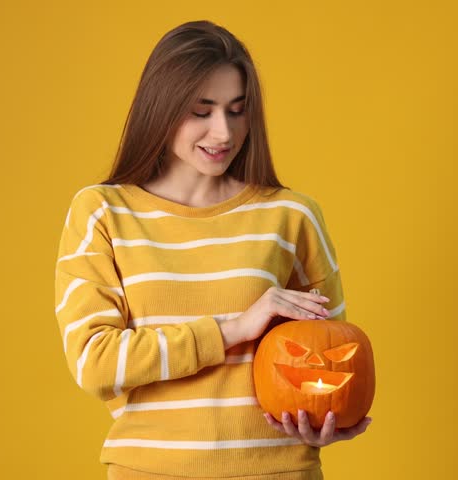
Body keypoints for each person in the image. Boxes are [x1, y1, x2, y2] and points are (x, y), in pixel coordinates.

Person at [54, 20, 372, 480]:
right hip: (150, 471)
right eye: (201, 112)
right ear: (159, 108)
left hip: (278, 471)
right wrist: (233, 328)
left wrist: (325, 420)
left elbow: (332, 354)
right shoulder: (102, 212)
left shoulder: (293, 215)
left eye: (237, 110)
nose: (223, 132)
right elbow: (95, 362)